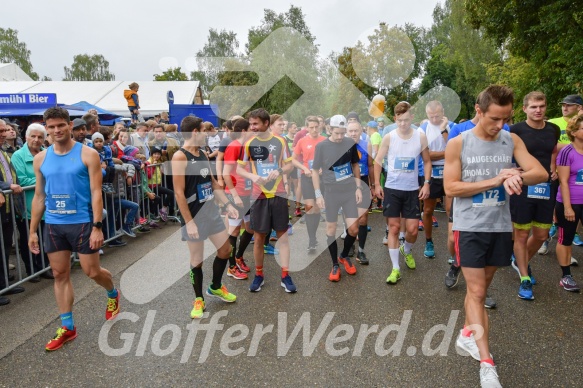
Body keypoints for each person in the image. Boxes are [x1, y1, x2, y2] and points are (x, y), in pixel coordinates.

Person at [444, 85, 547, 387]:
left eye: (505, 118)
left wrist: (517, 175)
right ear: (478, 110)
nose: (500, 125)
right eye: (494, 118)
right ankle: (487, 363)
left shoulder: (510, 139)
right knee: (477, 292)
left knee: (480, 287)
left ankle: (466, 334)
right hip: (470, 227)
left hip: (500, 226)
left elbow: (539, 172)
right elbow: (451, 188)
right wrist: (497, 179)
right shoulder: (458, 143)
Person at [28, 107, 120, 351]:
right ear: (46, 129)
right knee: (60, 274)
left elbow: (96, 192)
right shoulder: (41, 158)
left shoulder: (88, 154)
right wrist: (32, 230)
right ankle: (68, 327)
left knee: (92, 272)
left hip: (82, 222)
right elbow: (39, 197)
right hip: (54, 224)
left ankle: (112, 293)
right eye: (51, 127)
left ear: (69, 125)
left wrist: (98, 226)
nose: (57, 130)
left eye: (61, 125)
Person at [172, 115, 238, 319]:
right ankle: (198, 299)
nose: (208, 135)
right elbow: (179, 193)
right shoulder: (180, 157)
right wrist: (189, 222)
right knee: (197, 259)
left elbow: (213, 184)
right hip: (194, 216)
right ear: (195, 132)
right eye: (204, 131)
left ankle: (216, 286)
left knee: (226, 249)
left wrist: (227, 204)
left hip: (210, 212)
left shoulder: (201, 153)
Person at [236, 108, 297, 293]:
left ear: (266, 124)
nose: (252, 127)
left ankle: (285, 275)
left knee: (283, 238)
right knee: (260, 237)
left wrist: (279, 171)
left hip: (278, 195)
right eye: (251, 123)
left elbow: (289, 165)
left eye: (255, 124)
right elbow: (239, 169)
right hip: (258, 196)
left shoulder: (280, 141)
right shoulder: (249, 144)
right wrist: (253, 177)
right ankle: (259, 275)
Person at [509, 92, 560, 300]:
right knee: (521, 235)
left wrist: (553, 167)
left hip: (546, 187)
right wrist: (513, 171)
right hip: (523, 187)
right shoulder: (515, 130)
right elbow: (506, 154)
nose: (538, 110)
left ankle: (519, 260)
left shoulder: (553, 129)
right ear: (524, 109)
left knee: (541, 235)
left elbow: (553, 151)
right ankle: (524, 278)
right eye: (533, 107)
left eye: (541, 106)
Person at [374, 102, 431, 284]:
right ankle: (395, 269)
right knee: (394, 228)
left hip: (412, 190)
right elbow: (377, 160)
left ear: (411, 118)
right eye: (399, 120)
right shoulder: (389, 137)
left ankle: (406, 251)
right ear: (395, 118)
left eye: (406, 120)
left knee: (413, 230)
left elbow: (428, 162)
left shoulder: (420, 136)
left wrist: (427, 184)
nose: (403, 124)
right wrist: (377, 184)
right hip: (392, 188)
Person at [312, 115, 361, 281]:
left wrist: (359, 187)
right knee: (331, 229)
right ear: (329, 130)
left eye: (343, 133)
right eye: (337, 133)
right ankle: (334, 264)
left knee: (354, 229)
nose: (340, 137)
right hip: (331, 192)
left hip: (348, 191)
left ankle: (344, 255)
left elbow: (355, 164)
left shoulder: (349, 143)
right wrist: (318, 194)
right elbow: (314, 170)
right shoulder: (322, 146)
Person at [12, 124, 54, 282]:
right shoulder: (18, 155)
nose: (36, 140)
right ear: (26, 137)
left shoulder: (47, 153)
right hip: (27, 206)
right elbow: (21, 180)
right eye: (33, 136)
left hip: (47, 205)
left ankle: (44, 267)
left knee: (45, 238)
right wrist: (46, 180)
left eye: (40, 137)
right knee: (27, 238)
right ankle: (32, 269)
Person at [419, 101, 454, 259]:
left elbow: (454, 149)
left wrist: (443, 130)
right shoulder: (423, 129)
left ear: (443, 112)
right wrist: (445, 153)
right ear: (426, 114)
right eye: (431, 116)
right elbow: (425, 155)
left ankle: (453, 246)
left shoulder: (452, 126)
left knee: (451, 212)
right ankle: (428, 241)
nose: (434, 119)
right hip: (431, 173)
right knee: (427, 210)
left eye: (437, 116)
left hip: (450, 172)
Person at [554, 114, 583, 292]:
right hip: (570, 203)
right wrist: (567, 207)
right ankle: (566, 276)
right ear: (573, 132)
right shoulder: (567, 152)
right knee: (566, 239)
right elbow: (563, 181)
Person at [223, 118, 254, 280]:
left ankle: (238, 257)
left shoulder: (247, 146)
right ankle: (231, 268)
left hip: (248, 193)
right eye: (251, 128)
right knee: (234, 230)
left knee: (250, 228)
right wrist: (234, 195)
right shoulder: (234, 146)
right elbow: (226, 173)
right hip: (237, 194)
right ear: (243, 131)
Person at [0, 119, 25, 306]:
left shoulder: (3, 151)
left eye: (4, 130)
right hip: (3, 203)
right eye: (1, 130)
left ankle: (4, 284)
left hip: (7, 206)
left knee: (5, 245)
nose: (3, 133)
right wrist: (6, 187)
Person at [292, 116, 326, 252]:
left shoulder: (325, 141)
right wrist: (304, 168)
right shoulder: (302, 141)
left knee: (317, 209)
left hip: (321, 178)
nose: (314, 130)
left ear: (320, 126)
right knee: (310, 208)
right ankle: (311, 240)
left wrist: (325, 167)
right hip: (307, 177)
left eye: (316, 127)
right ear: (306, 128)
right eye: (311, 127)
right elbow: (293, 160)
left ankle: (314, 237)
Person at [347, 121, 374, 264]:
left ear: (361, 131)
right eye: (350, 131)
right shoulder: (341, 146)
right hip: (346, 185)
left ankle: (361, 251)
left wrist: (374, 185)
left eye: (355, 131)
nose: (353, 134)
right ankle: (350, 245)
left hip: (363, 183)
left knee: (363, 219)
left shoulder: (366, 144)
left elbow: (370, 166)